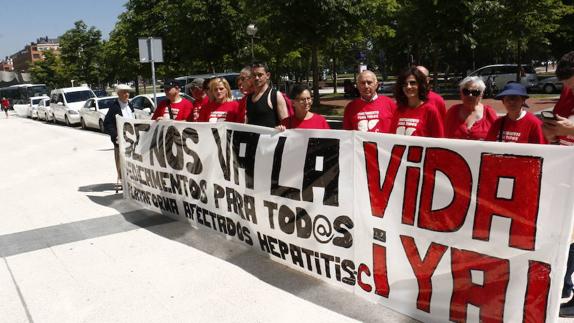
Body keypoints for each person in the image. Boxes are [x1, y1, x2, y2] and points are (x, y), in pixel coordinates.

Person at [541, 51, 574, 318]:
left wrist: (568, 130)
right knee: (565, 229)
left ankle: (566, 287)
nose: (568, 89)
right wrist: (552, 129)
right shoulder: (567, 90)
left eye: (572, 83)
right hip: (565, 167)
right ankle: (563, 284)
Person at [390, 67, 444, 138]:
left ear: (420, 85)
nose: (408, 86)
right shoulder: (399, 111)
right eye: (405, 84)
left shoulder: (430, 111)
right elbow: (391, 137)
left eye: (412, 83)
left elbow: (439, 141)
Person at [445, 76, 498, 140]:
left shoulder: (489, 113)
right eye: (466, 91)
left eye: (475, 92)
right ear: (461, 93)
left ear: (481, 95)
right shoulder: (452, 112)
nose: (470, 95)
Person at [103, 84, 135, 189]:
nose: (127, 94)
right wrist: (115, 135)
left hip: (132, 139)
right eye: (124, 92)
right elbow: (107, 124)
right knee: (120, 160)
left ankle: (132, 179)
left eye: (128, 92)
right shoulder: (114, 107)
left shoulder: (130, 105)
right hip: (120, 139)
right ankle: (122, 180)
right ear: (118, 94)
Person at [246, 61, 289, 127]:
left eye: (260, 75)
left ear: (268, 75)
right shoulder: (248, 97)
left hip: (270, 137)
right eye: (254, 75)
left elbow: (286, 123)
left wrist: (280, 127)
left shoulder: (275, 95)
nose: (256, 78)